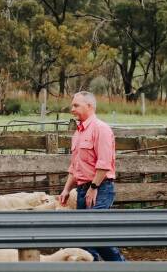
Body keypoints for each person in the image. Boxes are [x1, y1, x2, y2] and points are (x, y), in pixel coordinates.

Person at [58, 91, 126, 262]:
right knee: (85, 239)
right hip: (82, 189)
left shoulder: (101, 129)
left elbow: (104, 164)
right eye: (72, 105)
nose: (71, 109)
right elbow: (75, 167)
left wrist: (94, 187)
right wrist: (66, 189)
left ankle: (122, 266)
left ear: (89, 106)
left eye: (76, 105)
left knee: (94, 232)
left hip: (100, 188)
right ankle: (93, 265)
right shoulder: (78, 133)